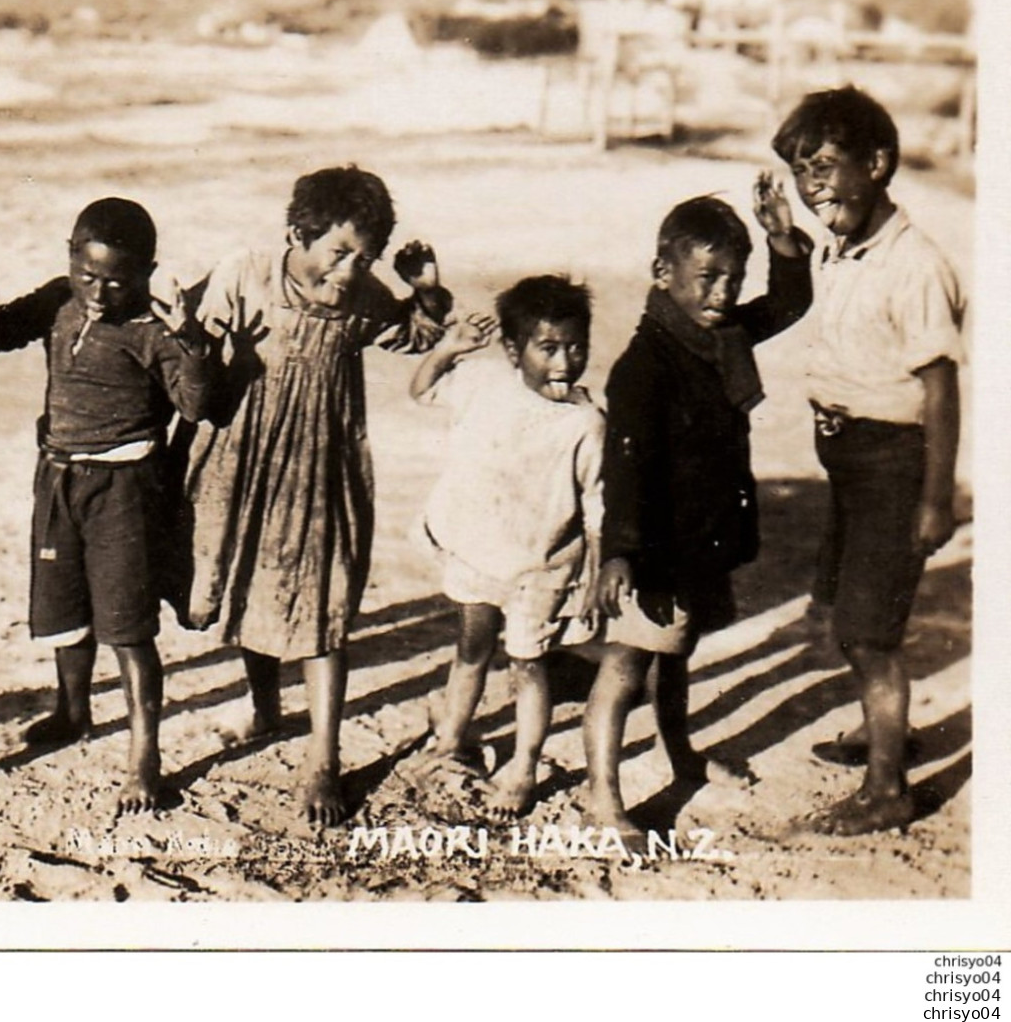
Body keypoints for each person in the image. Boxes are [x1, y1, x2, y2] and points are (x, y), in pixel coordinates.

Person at [177, 165, 452, 827]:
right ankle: (266, 706)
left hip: (322, 467)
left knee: (323, 606)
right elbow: (190, 354)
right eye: (339, 251)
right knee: (251, 587)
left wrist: (426, 292)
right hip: (241, 462)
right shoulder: (244, 273)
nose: (353, 269)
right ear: (298, 233)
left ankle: (323, 760)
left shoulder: (361, 297)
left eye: (368, 257)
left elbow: (409, 335)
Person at [0, 199, 216, 816]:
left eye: (118, 279)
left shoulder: (152, 329)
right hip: (57, 477)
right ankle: (73, 711)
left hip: (124, 491)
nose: (101, 291)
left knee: (128, 628)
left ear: (148, 272)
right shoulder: (60, 298)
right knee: (65, 607)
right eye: (89, 274)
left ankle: (145, 760)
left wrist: (190, 340)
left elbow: (193, 405)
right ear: (70, 258)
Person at [770, 86, 964, 835]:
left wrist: (935, 497)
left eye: (823, 167)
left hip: (892, 464)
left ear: (877, 164)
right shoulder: (842, 243)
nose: (812, 187)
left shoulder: (913, 266)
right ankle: (876, 733)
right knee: (849, 610)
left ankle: (887, 788)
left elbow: (940, 388)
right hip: (851, 465)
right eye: (798, 172)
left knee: (867, 631)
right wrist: (784, 235)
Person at [590, 191, 812, 843]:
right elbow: (624, 467)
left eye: (732, 280)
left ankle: (680, 754)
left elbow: (788, 304)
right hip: (653, 545)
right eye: (705, 278)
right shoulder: (643, 366)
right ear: (663, 273)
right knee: (628, 662)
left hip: (699, 535)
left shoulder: (718, 337)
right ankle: (599, 794)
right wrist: (619, 551)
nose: (721, 293)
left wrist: (781, 241)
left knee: (677, 651)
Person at [410, 277, 604, 820]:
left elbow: (596, 507)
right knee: (471, 648)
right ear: (515, 352)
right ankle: (451, 738)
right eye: (548, 348)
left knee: (528, 666)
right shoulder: (485, 384)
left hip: (539, 570)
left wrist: (592, 576)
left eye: (576, 347)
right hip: (479, 552)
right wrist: (450, 347)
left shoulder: (587, 423)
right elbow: (422, 389)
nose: (565, 361)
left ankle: (523, 765)